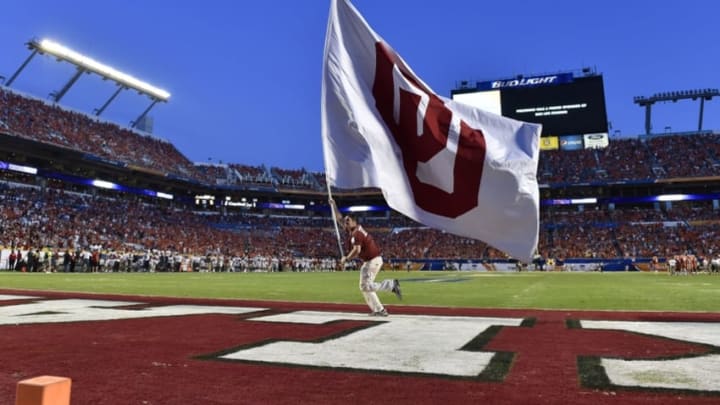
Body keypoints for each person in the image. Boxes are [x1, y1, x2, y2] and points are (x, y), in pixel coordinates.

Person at [329, 197, 401, 317]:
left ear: (354, 222)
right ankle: (379, 310)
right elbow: (339, 218)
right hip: (370, 261)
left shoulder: (357, 233)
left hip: (373, 260)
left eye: (348, 221)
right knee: (364, 286)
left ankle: (391, 285)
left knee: (365, 285)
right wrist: (334, 205)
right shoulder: (352, 230)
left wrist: (346, 258)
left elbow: (357, 250)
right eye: (346, 221)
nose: (345, 223)